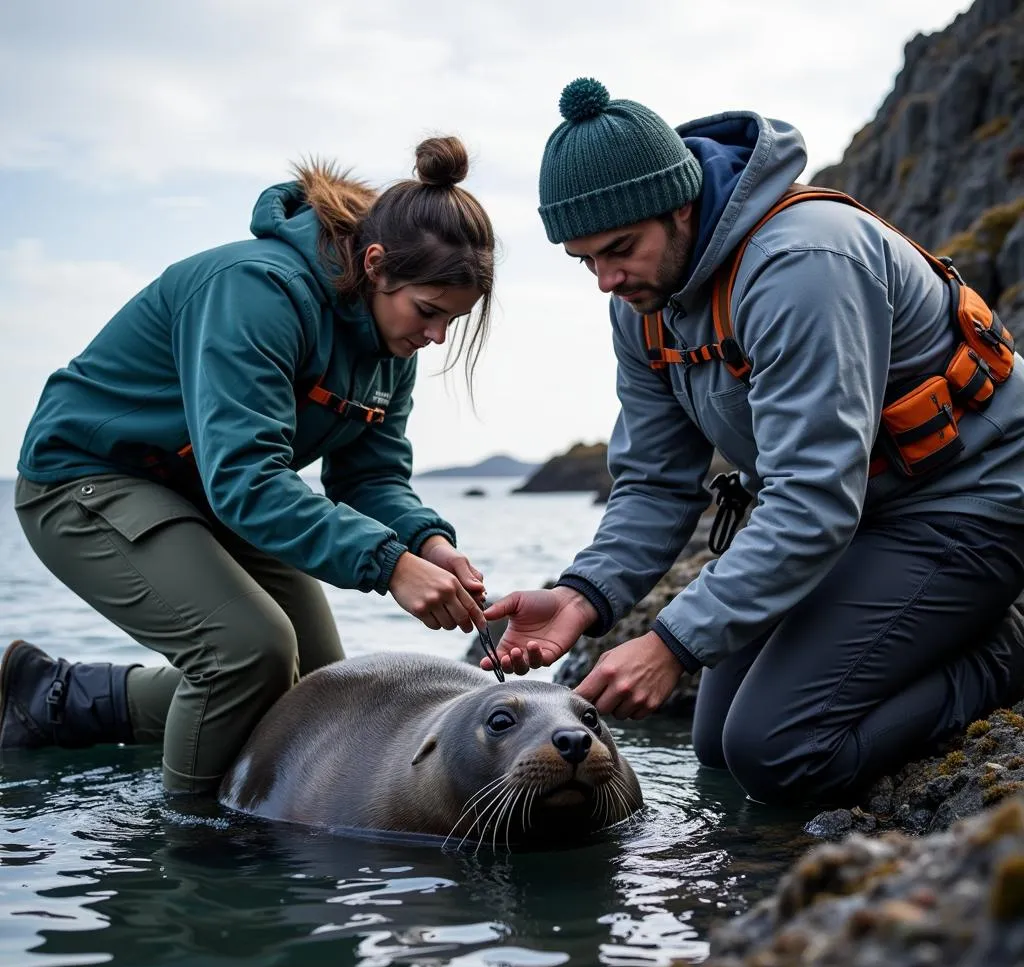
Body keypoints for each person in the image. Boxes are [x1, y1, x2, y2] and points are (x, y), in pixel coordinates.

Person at [482, 78, 1024, 805]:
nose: (607, 279)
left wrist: (672, 643)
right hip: (862, 515)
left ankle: (1002, 653)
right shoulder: (644, 306)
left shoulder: (805, 265)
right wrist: (582, 598)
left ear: (679, 206)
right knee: (715, 746)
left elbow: (811, 499)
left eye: (620, 249)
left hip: (974, 503)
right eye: (585, 260)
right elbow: (654, 483)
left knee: (777, 750)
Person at [1, 136, 494, 796]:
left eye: (450, 324)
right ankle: (199, 855)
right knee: (246, 653)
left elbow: (369, 479)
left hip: (204, 493)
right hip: (86, 479)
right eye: (428, 313)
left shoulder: (389, 349)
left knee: (323, 689)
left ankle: (58, 699)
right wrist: (389, 566)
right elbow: (247, 476)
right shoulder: (256, 291)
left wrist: (427, 546)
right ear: (375, 265)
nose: (434, 339)